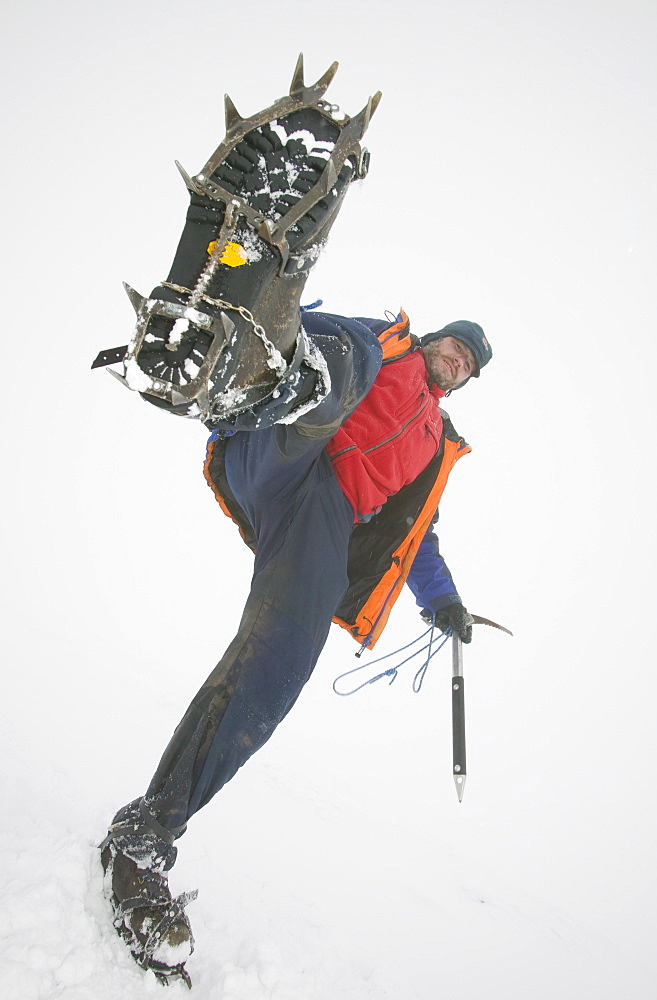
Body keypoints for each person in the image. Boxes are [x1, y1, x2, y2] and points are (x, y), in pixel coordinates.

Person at [97, 62, 492, 987]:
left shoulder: (436, 443)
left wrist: (446, 606)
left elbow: (415, 539)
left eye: (464, 363)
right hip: (277, 440)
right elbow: (330, 328)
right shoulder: (391, 342)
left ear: (468, 380)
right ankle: (240, 336)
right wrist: (300, 333)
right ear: (436, 337)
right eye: (451, 344)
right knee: (346, 352)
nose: (452, 360)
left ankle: (145, 837)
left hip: (321, 517)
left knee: (275, 671)